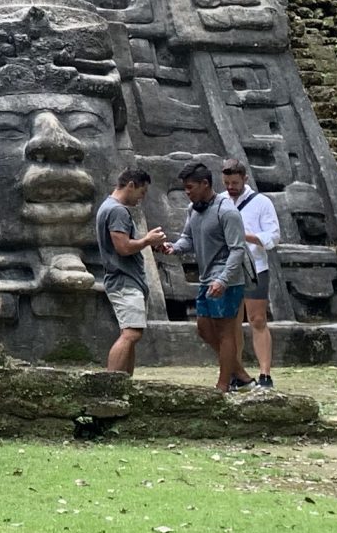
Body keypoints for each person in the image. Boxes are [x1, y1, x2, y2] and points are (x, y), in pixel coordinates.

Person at [172, 160, 256, 392]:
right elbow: (187, 238)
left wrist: (223, 280)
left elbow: (237, 249)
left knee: (225, 330)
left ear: (205, 184)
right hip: (207, 278)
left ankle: (223, 385)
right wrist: (173, 248)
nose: (187, 193)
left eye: (190, 187)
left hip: (226, 279)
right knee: (203, 328)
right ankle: (240, 374)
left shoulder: (226, 211)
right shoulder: (194, 210)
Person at [96, 166, 171, 372]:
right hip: (124, 279)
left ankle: (123, 383)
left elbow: (124, 243)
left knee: (131, 334)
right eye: (142, 192)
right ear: (130, 185)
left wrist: (149, 242)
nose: (142, 198)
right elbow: (123, 247)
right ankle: (111, 384)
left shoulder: (109, 207)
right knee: (131, 333)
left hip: (125, 279)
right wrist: (147, 240)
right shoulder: (118, 210)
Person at [222, 158, 282, 393]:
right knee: (232, 323)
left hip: (255, 266)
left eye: (235, 182)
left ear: (244, 180)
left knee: (257, 319)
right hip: (228, 268)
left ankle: (265, 372)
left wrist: (248, 237)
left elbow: (273, 236)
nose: (231, 187)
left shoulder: (261, 203)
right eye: (227, 182)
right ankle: (236, 373)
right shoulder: (221, 201)